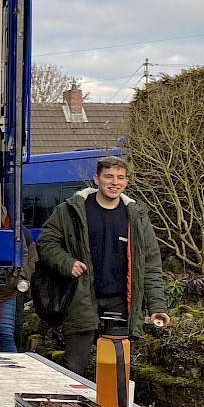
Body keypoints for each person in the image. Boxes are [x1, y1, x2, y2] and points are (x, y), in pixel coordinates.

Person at [35, 154, 169, 378]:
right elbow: (46, 242)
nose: (114, 182)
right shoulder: (71, 211)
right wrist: (67, 263)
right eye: (109, 176)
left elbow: (151, 267)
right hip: (81, 298)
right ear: (96, 179)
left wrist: (157, 306)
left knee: (114, 373)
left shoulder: (136, 217)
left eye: (120, 177)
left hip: (120, 303)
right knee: (74, 369)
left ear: (126, 181)